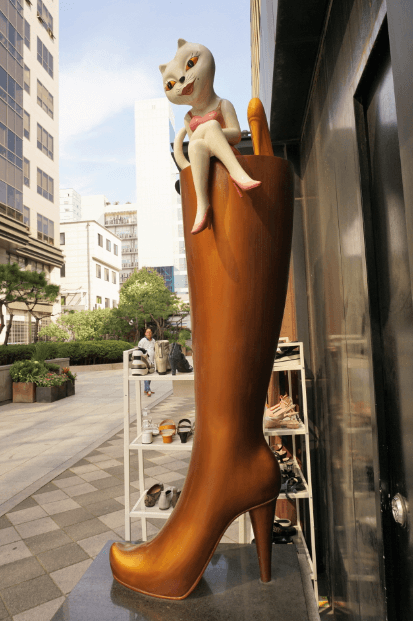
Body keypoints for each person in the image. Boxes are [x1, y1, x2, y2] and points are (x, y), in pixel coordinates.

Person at [138, 328, 156, 396]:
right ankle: (148, 390)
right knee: (146, 375)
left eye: (150, 332)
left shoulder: (153, 340)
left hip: (152, 361)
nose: (149, 333)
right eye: (147, 332)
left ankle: (146, 389)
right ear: (145, 333)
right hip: (145, 361)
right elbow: (139, 349)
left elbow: (154, 348)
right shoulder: (142, 340)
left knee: (150, 374)